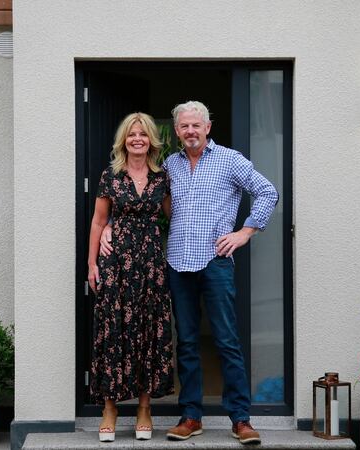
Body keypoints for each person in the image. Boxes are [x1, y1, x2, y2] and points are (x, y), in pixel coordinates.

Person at [101, 101, 278, 445]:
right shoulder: (169, 166)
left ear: (208, 127)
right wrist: (109, 225)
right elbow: (141, 203)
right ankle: (191, 416)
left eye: (196, 125)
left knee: (226, 341)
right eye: (184, 127)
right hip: (178, 263)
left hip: (215, 262)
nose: (191, 131)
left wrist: (245, 232)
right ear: (177, 131)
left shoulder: (230, 160)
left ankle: (240, 418)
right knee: (186, 343)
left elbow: (267, 191)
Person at [87, 112, 174, 443]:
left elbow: (174, 218)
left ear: (152, 140)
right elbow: (98, 221)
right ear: (124, 140)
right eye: (131, 134)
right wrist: (92, 265)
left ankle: (144, 409)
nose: (137, 138)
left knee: (148, 333)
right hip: (116, 266)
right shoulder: (111, 175)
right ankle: (110, 408)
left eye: (143, 134)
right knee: (114, 331)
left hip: (151, 267)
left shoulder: (162, 178)